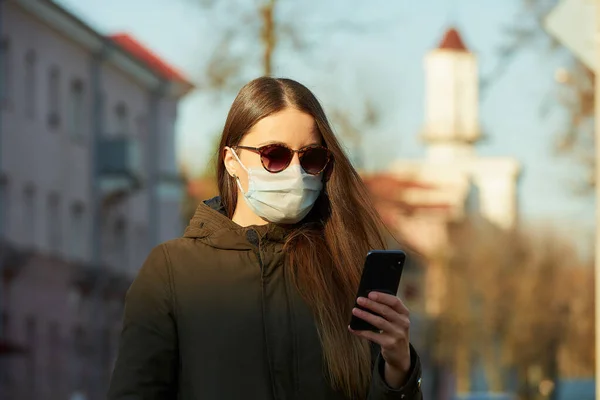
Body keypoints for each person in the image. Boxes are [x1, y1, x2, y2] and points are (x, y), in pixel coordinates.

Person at [107, 77, 423, 400]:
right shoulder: (172, 272)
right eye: (275, 155)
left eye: (311, 158)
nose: (296, 172)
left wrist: (398, 370)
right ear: (232, 162)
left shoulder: (342, 269)